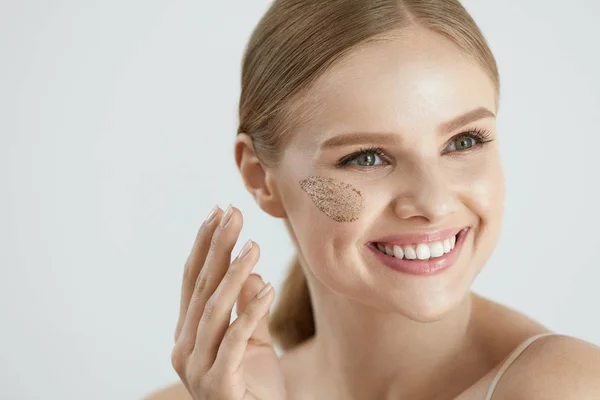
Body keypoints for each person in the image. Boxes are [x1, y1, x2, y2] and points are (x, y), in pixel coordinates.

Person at [145, 0, 600, 399]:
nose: (433, 201)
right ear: (261, 176)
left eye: (463, 141)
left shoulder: (564, 386)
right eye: (366, 157)